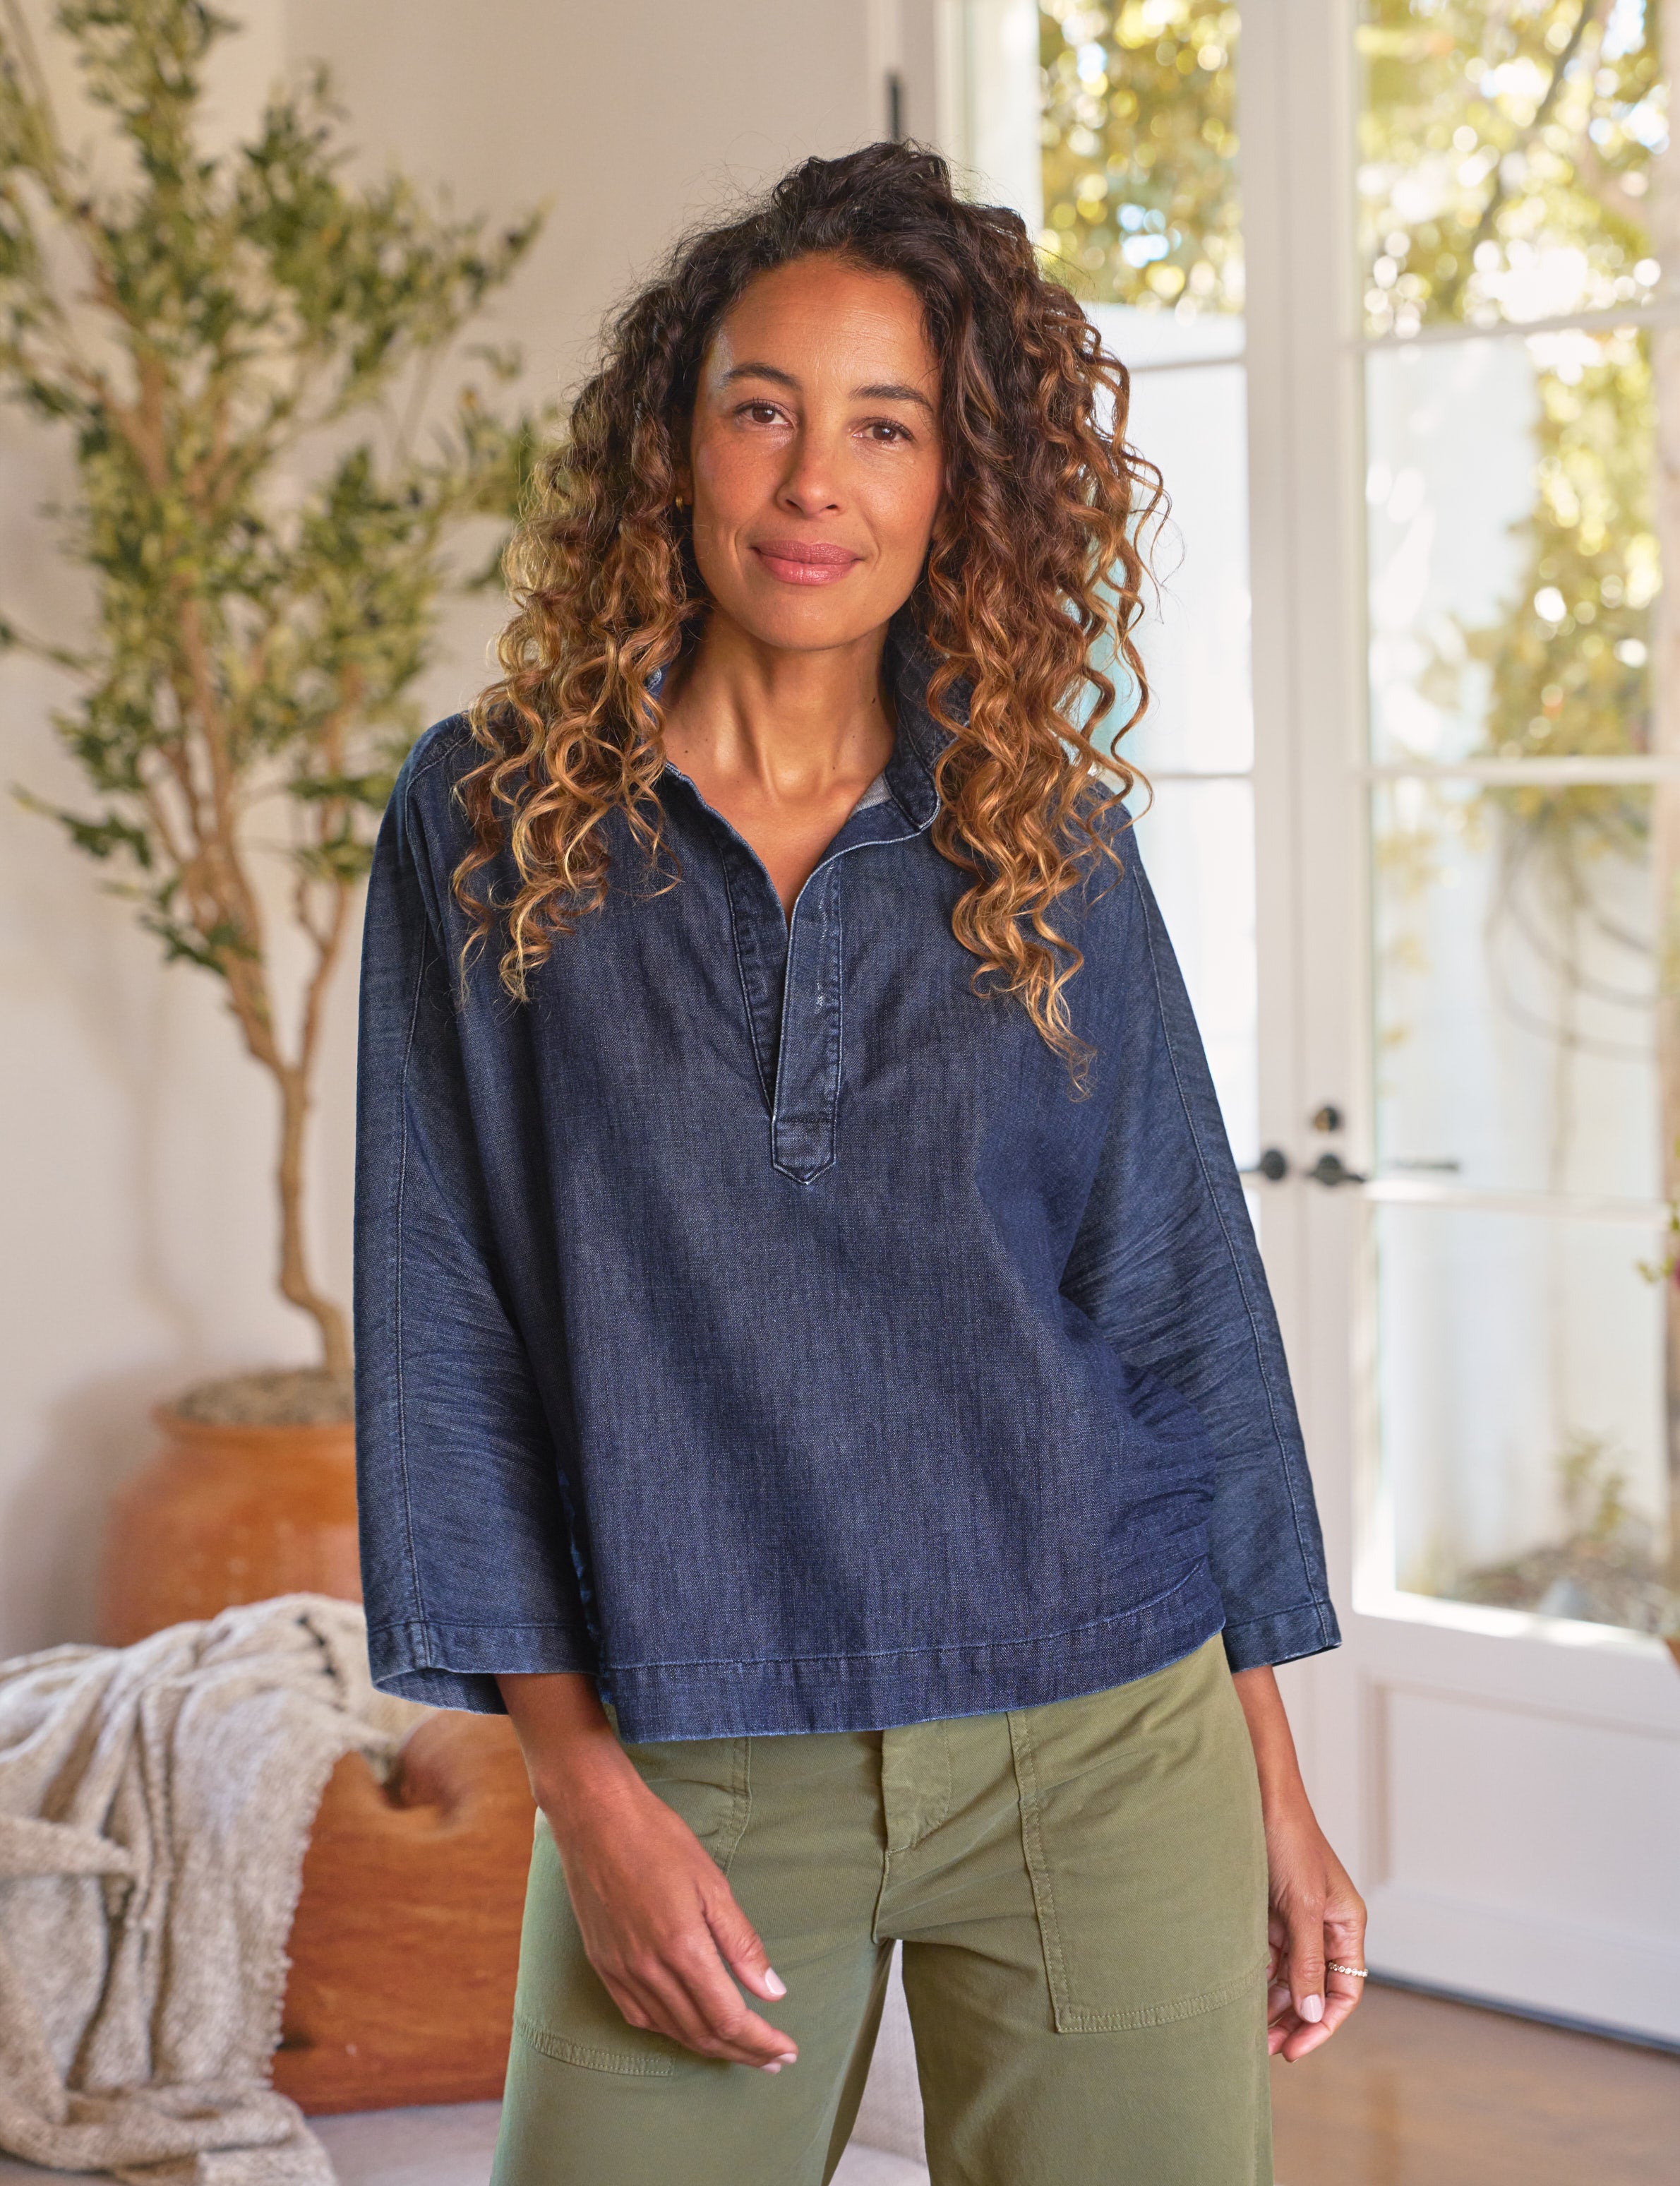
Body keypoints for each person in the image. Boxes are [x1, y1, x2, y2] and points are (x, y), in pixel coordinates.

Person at [353, 142, 1366, 2186]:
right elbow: (443, 1325)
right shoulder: (489, 820)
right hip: (699, 1753)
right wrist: (581, 1791)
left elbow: (1168, 1285)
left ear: (954, 485)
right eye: (762, 409)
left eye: (883, 426)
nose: (816, 482)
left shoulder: (1046, 830)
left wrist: (1267, 1767)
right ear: (677, 446)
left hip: (1104, 1733)